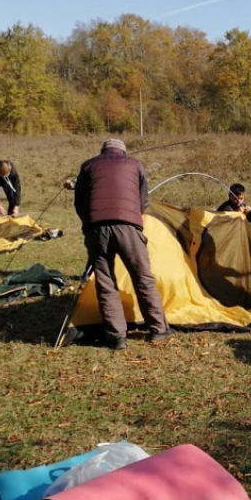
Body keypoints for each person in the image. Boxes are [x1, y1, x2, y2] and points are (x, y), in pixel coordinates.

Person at [73, 138, 172, 349]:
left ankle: (117, 336)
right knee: (142, 277)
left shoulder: (88, 165)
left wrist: (89, 223)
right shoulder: (135, 164)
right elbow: (143, 200)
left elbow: (79, 201)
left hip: (96, 229)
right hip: (128, 227)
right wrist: (133, 217)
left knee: (106, 281)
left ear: (103, 151)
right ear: (123, 151)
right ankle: (158, 328)